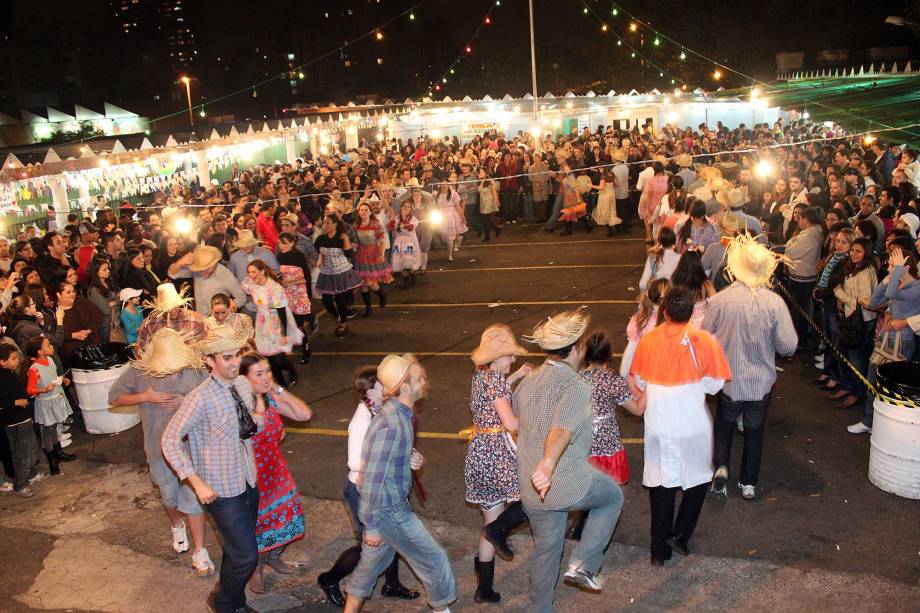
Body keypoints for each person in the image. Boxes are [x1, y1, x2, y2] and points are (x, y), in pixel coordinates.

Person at [513, 308, 625, 612]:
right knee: (612, 496)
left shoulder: (529, 381)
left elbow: (513, 421)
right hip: (560, 481)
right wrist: (547, 464)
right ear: (577, 348)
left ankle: (540, 608)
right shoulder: (575, 386)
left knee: (547, 550)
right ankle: (584, 563)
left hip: (530, 488)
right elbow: (561, 430)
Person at [161, 325, 264, 613]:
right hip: (220, 490)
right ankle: (223, 603)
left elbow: (247, 429)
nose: (234, 363)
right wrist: (196, 481)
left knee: (236, 549)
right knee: (246, 556)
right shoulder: (199, 398)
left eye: (237, 355)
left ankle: (233, 602)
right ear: (210, 360)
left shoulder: (242, 385)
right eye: (227, 357)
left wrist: (261, 414)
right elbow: (169, 440)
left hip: (247, 479)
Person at [343, 354, 457, 613]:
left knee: (369, 566)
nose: (424, 382)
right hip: (389, 510)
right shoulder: (394, 423)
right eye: (418, 379)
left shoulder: (398, 413)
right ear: (404, 387)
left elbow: (382, 459)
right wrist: (370, 525)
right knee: (434, 560)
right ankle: (442, 609)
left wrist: (408, 458)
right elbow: (372, 478)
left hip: (387, 507)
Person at [630, 285, 731, 566]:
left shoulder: (649, 341)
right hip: (692, 424)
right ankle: (681, 534)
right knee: (698, 480)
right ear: (691, 311)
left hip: (659, 425)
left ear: (665, 310)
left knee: (661, 487)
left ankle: (657, 550)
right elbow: (715, 385)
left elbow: (639, 382)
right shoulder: (705, 341)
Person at [109, 328, 214, 576]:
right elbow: (115, 397)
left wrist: (185, 402)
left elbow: (212, 400)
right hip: (157, 449)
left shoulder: (195, 371)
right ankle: (177, 525)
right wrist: (144, 396)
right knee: (169, 496)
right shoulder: (139, 372)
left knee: (193, 500)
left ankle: (200, 550)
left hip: (190, 448)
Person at [702, 235, 798, 501]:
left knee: (724, 423)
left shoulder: (720, 300)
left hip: (729, 379)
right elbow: (789, 345)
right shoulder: (774, 303)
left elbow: (703, 335)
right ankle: (748, 482)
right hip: (760, 382)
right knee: (754, 430)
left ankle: (720, 467)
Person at [317, 366, 421, 607]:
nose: (392, 386)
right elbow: (354, 462)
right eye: (384, 383)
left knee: (392, 536)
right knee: (369, 548)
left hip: (383, 488)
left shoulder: (383, 411)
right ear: (371, 390)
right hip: (362, 491)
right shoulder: (362, 420)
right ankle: (330, 579)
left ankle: (391, 584)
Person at [465, 324, 532, 603]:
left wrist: (516, 376)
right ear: (497, 356)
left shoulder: (481, 377)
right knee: (533, 499)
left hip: (479, 451)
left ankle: (484, 587)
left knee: (491, 520)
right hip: (497, 453)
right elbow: (510, 422)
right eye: (509, 356)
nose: (513, 360)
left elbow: (495, 395)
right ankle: (498, 532)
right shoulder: (496, 382)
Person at [238, 352, 313, 593]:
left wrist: (279, 389)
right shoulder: (240, 404)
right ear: (244, 378)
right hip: (253, 476)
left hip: (277, 471)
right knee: (258, 525)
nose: (266, 377)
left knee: (287, 515)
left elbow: (304, 414)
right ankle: (256, 568)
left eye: (268, 371)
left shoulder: (270, 397)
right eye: (259, 374)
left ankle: (273, 556)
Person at [240, 259, 302, 388]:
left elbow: (282, 311)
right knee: (268, 356)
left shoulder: (274, 287)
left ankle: (291, 369)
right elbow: (245, 285)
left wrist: (284, 334)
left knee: (278, 358)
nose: (251, 275)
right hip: (262, 322)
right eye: (249, 272)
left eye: (254, 271)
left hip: (276, 322)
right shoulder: (250, 283)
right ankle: (281, 383)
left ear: (262, 271)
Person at [24, 335, 75, 476]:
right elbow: (30, 390)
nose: (51, 347)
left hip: (56, 399)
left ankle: (58, 453)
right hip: (46, 403)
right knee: (47, 431)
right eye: (48, 345)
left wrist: (62, 379)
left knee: (55, 428)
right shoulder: (34, 369)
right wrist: (43, 389)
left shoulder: (50, 360)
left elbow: (53, 376)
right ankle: (52, 459)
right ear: (39, 351)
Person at [0, 343, 45, 498]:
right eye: (13, 358)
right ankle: (21, 485)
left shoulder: (10, 372)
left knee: (31, 449)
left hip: (23, 418)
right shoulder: (2, 377)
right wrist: (15, 403)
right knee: (21, 454)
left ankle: (31, 474)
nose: (17, 360)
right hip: (14, 421)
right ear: (2, 361)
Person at [314, 215, 362, 337]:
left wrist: (346, 239)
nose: (325, 225)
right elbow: (319, 251)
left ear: (335, 224)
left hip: (340, 270)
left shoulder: (342, 237)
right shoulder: (320, 238)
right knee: (326, 300)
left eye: (328, 223)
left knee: (340, 297)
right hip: (326, 271)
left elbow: (349, 254)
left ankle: (343, 323)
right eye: (324, 223)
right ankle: (338, 316)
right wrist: (320, 259)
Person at [168, 245, 249, 317]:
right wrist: (179, 263)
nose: (203, 272)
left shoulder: (225, 275)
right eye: (201, 269)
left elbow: (241, 297)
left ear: (214, 263)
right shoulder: (198, 268)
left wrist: (233, 304)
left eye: (207, 269)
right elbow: (173, 274)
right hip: (201, 317)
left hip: (219, 320)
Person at [135, 283, 207, 351]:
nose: (172, 311)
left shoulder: (194, 319)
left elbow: (206, 344)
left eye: (175, 306)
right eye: (168, 309)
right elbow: (140, 348)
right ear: (161, 309)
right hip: (160, 362)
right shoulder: (150, 323)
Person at [352, 202, 392, 315]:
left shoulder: (375, 223)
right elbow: (355, 241)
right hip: (361, 255)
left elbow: (382, 240)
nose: (363, 212)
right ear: (358, 212)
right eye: (361, 210)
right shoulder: (356, 225)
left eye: (366, 210)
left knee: (371, 283)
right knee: (364, 284)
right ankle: (368, 309)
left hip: (374, 254)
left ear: (370, 212)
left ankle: (381, 293)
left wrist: (381, 253)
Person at [55, 281, 101, 369]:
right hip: (71, 354)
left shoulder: (81, 301)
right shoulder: (54, 312)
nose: (72, 294)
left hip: (91, 346)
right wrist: (73, 335)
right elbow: (54, 334)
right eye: (68, 292)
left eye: (73, 291)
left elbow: (97, 315)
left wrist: (88, 330)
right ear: (58, 295)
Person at [639, 227, 680, 292]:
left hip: (657, 295)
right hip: (673, 294)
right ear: (674, 241)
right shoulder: (680, 258)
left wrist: (644, 292)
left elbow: (642, 284)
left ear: (659, 242)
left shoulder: (653, 258)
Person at [390, 201, 421, 287]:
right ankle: (405, 281)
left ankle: (412, 276)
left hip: (410, 242)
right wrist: (392, 219)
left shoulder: (413, 219)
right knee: (400, 261)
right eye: (405, 206)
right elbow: (391, 227)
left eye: (409, 207)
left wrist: (404, 218)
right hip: (399, 242)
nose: (406, 208)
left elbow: (410, 228)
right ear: (401, 208)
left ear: (411, 209)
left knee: (409, 260)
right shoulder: (397, 218)